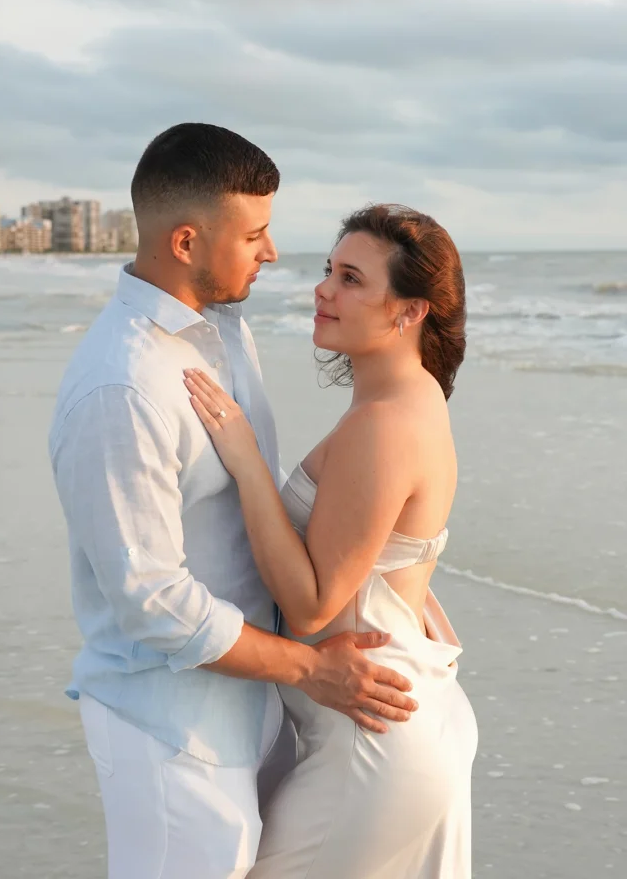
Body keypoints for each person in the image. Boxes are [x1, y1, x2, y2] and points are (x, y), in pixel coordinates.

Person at [48, 126, 417, 879]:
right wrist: (308, 670)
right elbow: (150, 601)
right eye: (255, 234)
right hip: (171, 730)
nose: (272, 253)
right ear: (185, 241)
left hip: (252, 713)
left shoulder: (220, 331)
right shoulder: (124, 386)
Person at [183, 202, 479, 878]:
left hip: (373, 742)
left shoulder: (387, 422)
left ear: (410, 312)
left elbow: (314, 604)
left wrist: (248, 462)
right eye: (328, 270)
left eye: (351, 278)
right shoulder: (409, 400)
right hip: (387, 725)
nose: (323, 289)